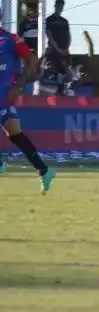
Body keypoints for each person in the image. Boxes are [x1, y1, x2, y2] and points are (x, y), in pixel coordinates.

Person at [0, 28, 56, 191]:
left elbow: (31, 60)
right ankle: (44, 170)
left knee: (15, 133)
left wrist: (19, 85)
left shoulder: (10, 39)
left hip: (4, 93)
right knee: (15, 133)